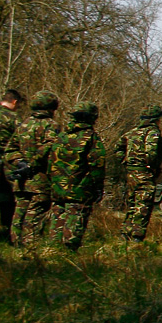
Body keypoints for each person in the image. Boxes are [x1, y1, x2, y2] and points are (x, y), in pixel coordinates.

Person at [4, 91, 60, 248]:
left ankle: (16, 247)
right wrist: (29, 165)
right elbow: (50, 147)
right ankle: (30, 250)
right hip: (40, 181)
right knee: (34, 215)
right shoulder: (52, 125)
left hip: (22, 180)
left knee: (19, 214)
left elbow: (10, 149)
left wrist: (20, 163)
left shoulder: (24, 125)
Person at [50, 102, 106, 251]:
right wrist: (98, 187)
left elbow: (51, 161)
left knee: (57, 222)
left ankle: (52, 252)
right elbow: (97, 165)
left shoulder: (61, 136)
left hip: (58, 189)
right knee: (74, 227)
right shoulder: (91, 138)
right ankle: (67, 254)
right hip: (79, 191)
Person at [115, 104, 162, 243]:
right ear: (155, 119)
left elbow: (118, 147)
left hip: (131, 173)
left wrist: (126, 162)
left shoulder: (131, 132)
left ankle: (125, 233)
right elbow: (152, 151)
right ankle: (136, 236)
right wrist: (151, 166)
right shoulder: (152, 133)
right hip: (145, 173)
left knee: (132, 203)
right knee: (143, 204)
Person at [0, 88, 23, 244]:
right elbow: (22, 141)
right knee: (7, 199)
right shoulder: (13, 119)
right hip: (5, 164)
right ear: (14, 102)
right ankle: (9, 234)